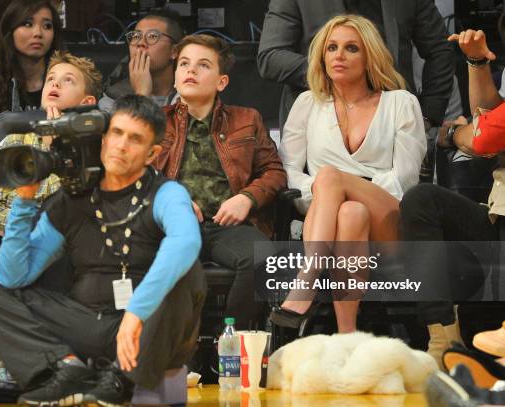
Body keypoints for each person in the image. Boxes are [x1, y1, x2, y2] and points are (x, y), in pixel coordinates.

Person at [0, 95, 206, 406]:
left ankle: (121, 381)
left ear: (152, 153)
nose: (120, 145)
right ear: (103, 138)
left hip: (148, 331)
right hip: (86, 323)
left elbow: (186, 243)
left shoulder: (167, 193)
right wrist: (24, 200)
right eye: (116, 133)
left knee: (188, 272)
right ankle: (62, 368)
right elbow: (13, 277)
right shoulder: (71, 199)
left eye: (135, 139)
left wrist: (136, 313)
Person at [271, 15, 426, 333]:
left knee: (330, 177)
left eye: (351, 48)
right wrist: (333, 195)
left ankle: (308, 278)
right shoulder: (307, 104)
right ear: (322, 56)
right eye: (332, 47)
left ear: (370, 56)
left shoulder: (400, 103)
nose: (339, 55)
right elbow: (287, 172)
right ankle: (348, 334)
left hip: (389, 218)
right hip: (328, 216)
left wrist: (344, 185)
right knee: (350, 212)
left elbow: (405, 181)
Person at [154, 34, 286, 330]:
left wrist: (247, 198)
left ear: (221, 81)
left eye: (202, 65)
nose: (190, 71)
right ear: (175, 77)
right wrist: (172, 199)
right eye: (184, 64)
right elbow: (137, 176)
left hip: (229, 226)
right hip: (174, 226)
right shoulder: (155, 122)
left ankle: (230, 345)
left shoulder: (247, 119)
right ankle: (179, 356)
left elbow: (274, 171)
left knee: (262, 260)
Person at [399, 28, 505, 369]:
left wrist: (454, 133)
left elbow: (483, 138)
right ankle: (444, 340)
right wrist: (475, 60)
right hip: (497, 215)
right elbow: (488, 114)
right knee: (422, 200)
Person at [257, 0, 454, 134]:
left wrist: (428, 115)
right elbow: (271, 57)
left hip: (392, 121)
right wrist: (332, 71)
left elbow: (440, 50)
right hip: (319, 123)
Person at [0, 51, 101, 263]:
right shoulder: (13, 141)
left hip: (68, 253)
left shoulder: (98, 149)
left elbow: (83, 215)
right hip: (17, 246)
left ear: (86, 102)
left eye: (68, 80)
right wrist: (27, 223)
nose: (55, 85)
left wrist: (56, 149)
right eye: (50, 79)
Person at [0, 0, 62, 169]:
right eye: (27, 24)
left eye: (47, 26)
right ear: (10, 31)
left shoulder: (70, 83)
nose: (38, 33)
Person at [98, 9, 182, 113]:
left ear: (174, 51)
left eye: (152, 36)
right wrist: (142, 94)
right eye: (136, 36)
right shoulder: (114, 97)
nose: (140, 43)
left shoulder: (189, 95)